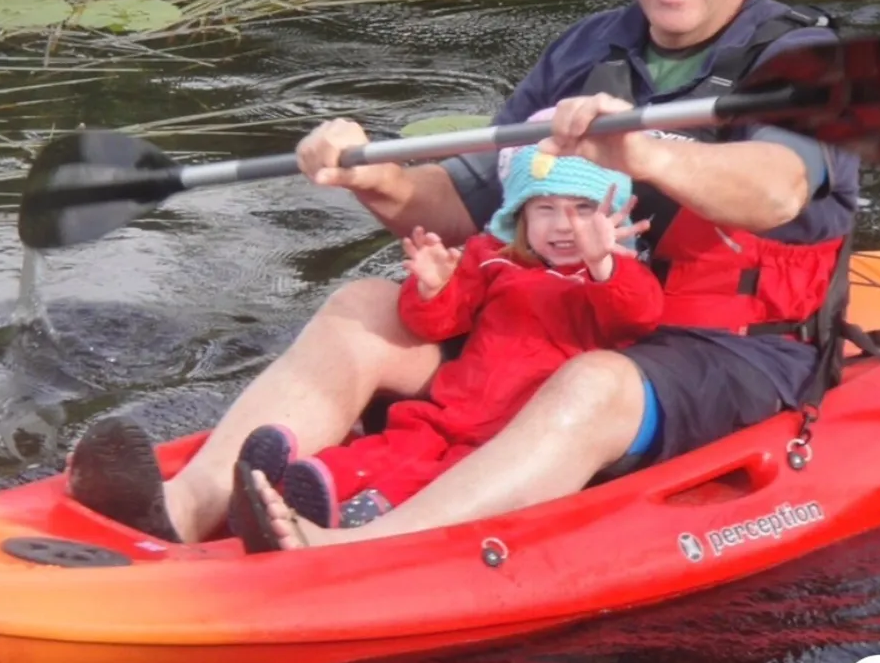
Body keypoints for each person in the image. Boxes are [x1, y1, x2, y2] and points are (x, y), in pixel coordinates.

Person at [66, 0, 858, 553]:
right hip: (557, 318)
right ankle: (184, 506)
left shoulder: (807, 62)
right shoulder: (588, 50)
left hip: (722, 352)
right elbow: (465, 205)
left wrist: (646, 152)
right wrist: (376, 179)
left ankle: (355, 550)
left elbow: (778, 190)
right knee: (362, 306)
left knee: (594, 383)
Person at [231, 147, 662, 537]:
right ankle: (295, 479)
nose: (564, 225)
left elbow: (637, 317)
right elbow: (438, 325)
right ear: (522, 217)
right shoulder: (493, 258)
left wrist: (602, 264)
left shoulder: (614, 278)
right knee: (396, 445)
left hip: (515, 428)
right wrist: (433, 289)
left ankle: (365, 513)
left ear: (612, 220)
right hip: (454, 403)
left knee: (440, 475)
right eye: (545, 208)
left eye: (584, 209)